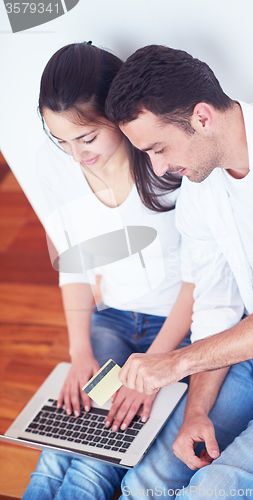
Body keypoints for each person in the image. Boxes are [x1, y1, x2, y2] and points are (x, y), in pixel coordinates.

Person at [104, 44, 253, 498]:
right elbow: (214, 302)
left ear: (202, 118)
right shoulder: (200, 188)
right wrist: (196, 410)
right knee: (147, 480)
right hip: (245, 349)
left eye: (158, 148)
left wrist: (175, 363)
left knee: (217, 489)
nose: (159, 167)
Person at [22, 42, 193, 500]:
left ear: (117, 116)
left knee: (94, 464)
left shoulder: (166, 164)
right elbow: (73, 263)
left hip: (182, 332)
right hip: (114, 319)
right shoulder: (52, 167)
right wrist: (80, 353)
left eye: (87, 138)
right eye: (61, 140)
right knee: (60, 443)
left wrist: (155, 368)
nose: (75, 155)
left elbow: (204, 280)